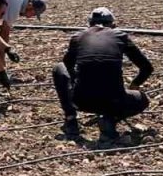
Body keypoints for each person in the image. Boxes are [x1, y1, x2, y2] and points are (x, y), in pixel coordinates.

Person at [53, 7, 153, 141]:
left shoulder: (78, 37)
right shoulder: (120, 36)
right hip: (116, 101)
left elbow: (67, 67)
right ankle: (110, 118)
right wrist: (135, 84)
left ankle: (71, 119)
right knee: (143, 99)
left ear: (89, 24)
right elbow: (147, 67)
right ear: (113, 24)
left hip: (82, 101)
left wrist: (79, 82)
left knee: (58, 68)